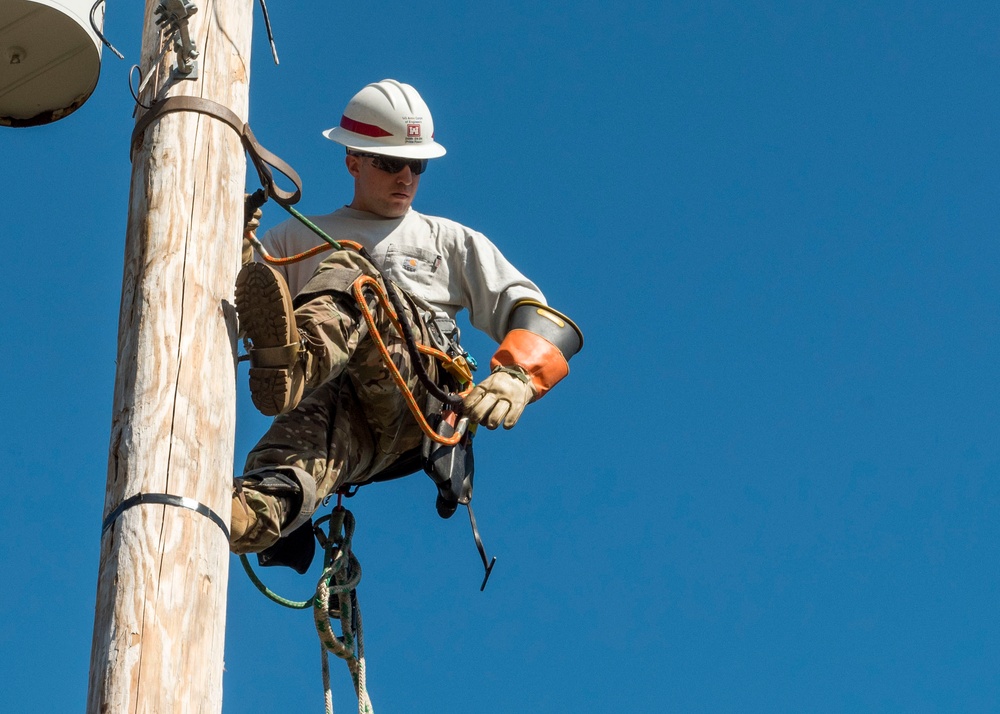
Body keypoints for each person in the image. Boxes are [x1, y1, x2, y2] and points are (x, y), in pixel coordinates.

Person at [230, 79, 582, 556]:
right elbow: (233, 306)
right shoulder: (290, 240)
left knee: (354, 271)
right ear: (353, 160)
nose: (406, 178)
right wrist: (233, 251)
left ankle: (295, 367)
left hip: (421, 399)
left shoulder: (446, 240)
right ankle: (228, 519)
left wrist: (518, 376)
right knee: (283, 467)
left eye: (416, 165)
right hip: (347, 413)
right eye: (390, 163)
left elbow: (538, 314)